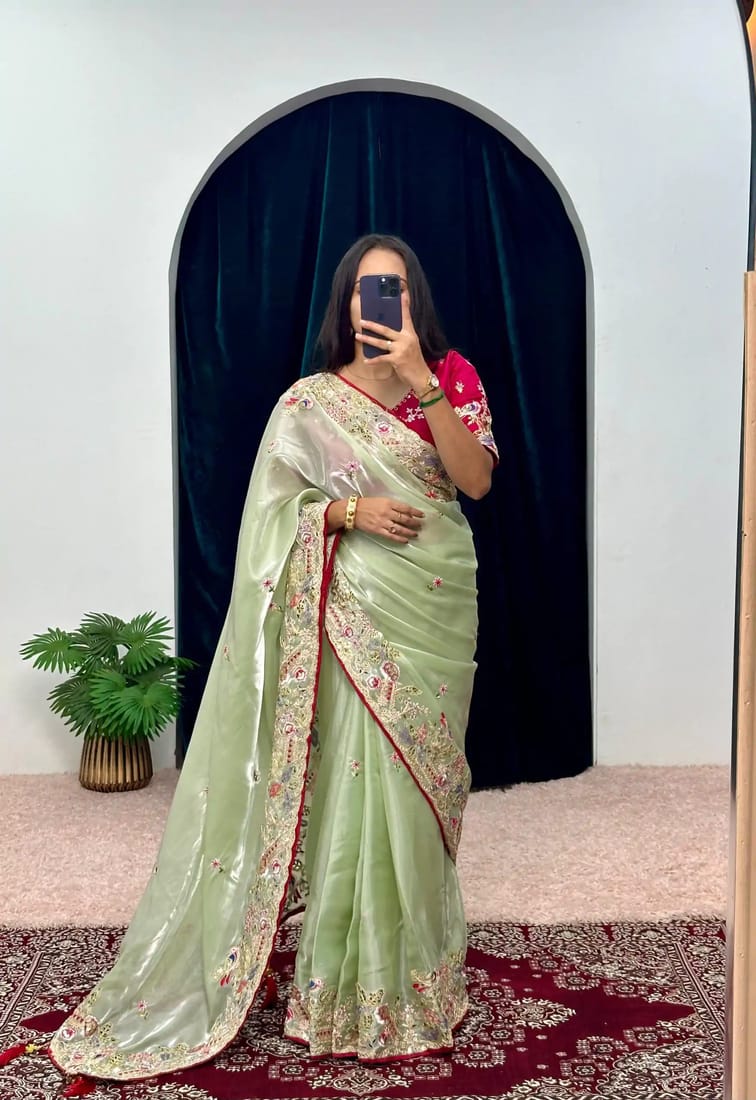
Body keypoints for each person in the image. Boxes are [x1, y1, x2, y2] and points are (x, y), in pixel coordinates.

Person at [49, 234, 498, 1082]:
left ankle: (413, 980)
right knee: (355, 782)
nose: (380, 303)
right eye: (366, 288)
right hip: (350, 608)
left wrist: (422, 381)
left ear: (417, 298)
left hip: (435, 606)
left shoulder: (454, 376)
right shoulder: (308, 403)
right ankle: (338, 989)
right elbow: (268, 518)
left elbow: (473, 481)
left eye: (396, 288)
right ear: (344, 302)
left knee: (417, 791)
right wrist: (346, 513)